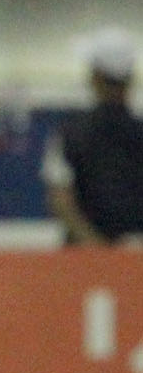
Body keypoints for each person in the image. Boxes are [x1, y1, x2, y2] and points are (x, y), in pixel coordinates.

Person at [44, 29, 143, 246]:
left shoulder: (68, 133)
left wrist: (95, 246)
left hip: (82, 261)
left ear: (95, 78)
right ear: (131, 80)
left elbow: (60, 198)